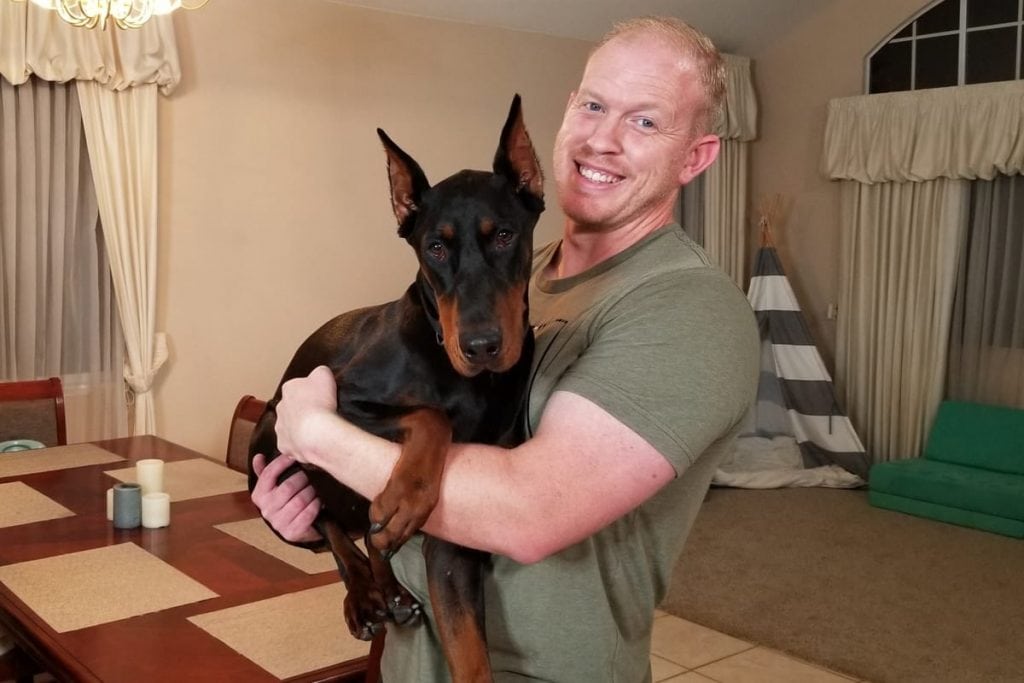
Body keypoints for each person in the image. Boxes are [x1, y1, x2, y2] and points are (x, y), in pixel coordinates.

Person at [251, 15, 759, 682]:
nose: (603, 138)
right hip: (415, 660)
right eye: (594, 105)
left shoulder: (688, 308)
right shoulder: (513, 273)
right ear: (567, 113)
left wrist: (318, 436)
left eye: (644, 121)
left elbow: (529, 514)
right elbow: (420, 491)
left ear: (695, 156)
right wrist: (317, 511)